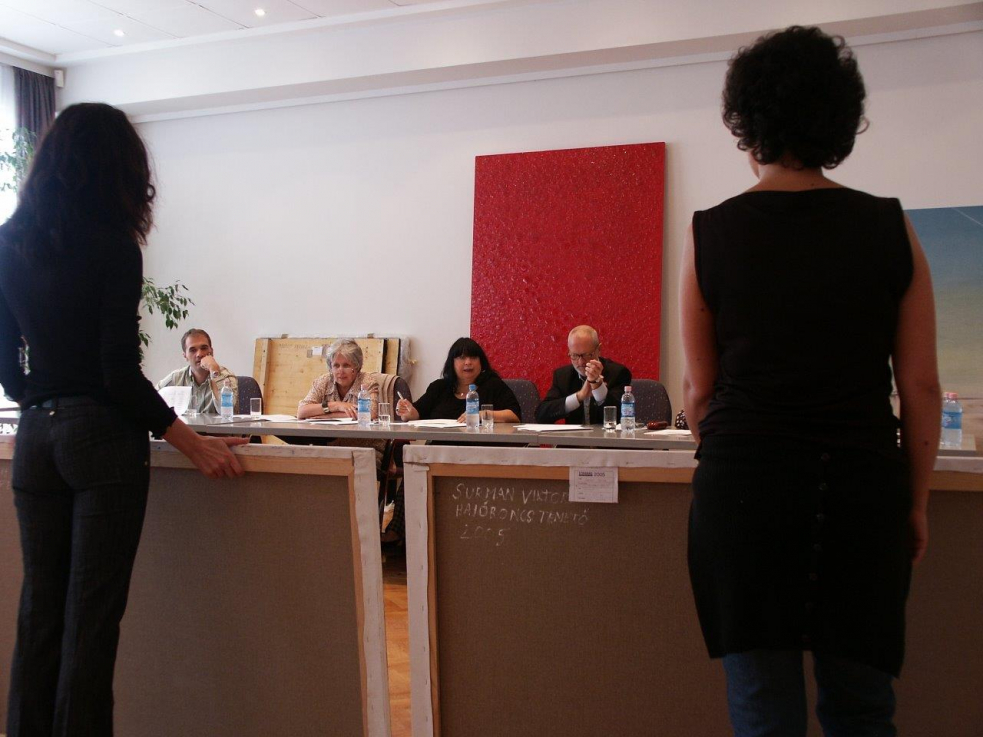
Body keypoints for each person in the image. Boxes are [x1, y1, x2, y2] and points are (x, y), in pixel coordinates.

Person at [679, 27, 940, 736]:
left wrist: (724, 454)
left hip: (742, 491)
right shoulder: (889, 227)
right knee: (861, 709)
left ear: (745, 121)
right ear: (839, 118)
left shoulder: (710, 232)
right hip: (859, 488)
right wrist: (914, 502)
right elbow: (920, 386)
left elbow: (700, 392)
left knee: (763, 710)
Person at [0, 102, 246, 737]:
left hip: (35, 438)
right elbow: (116, 372)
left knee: (38, 614)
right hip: (99, 444)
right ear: (118, 169)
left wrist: (42, 401)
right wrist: (194, 444)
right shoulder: (112, 245)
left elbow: (8, 368)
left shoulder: (8, 241)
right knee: (90, 622)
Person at [396, 337, 521, 422]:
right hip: (440, 449)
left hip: (483, 449)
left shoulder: (493, 385)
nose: (468, 362)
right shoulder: (439, 387)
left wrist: (483, 414)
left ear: (481, 362)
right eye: (462, 358)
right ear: (452, 363)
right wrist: (407, 412)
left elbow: (514, 415)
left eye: (473, 357)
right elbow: (416, 413)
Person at [535, 325, 631, 424]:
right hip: (574, 434)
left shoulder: (618, 373)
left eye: (587, 355)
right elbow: (541, 415)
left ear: (599, 350)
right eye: (574, 355)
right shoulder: (562, 376)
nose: (580, 362)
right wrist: (579, 396)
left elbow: (622, 416)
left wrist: (598, 387)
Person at [156, 328, 238, 414]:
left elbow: (229, 412)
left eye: (204, 348)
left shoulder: (227, 377)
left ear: (211, 351)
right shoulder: (176, 378)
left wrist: (214, 371)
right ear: (185, 356)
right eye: (193, 350)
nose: (199, 354)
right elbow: (150, 399)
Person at [297, 338, 379, 420]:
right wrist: (336, 405)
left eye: (346, 366)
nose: (341, 371)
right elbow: (301, 412)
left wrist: (328, 416)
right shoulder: (323, 381)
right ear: (330, 367)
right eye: (336, 366)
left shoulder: (367, 381)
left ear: (357, 366)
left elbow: (371, 413)